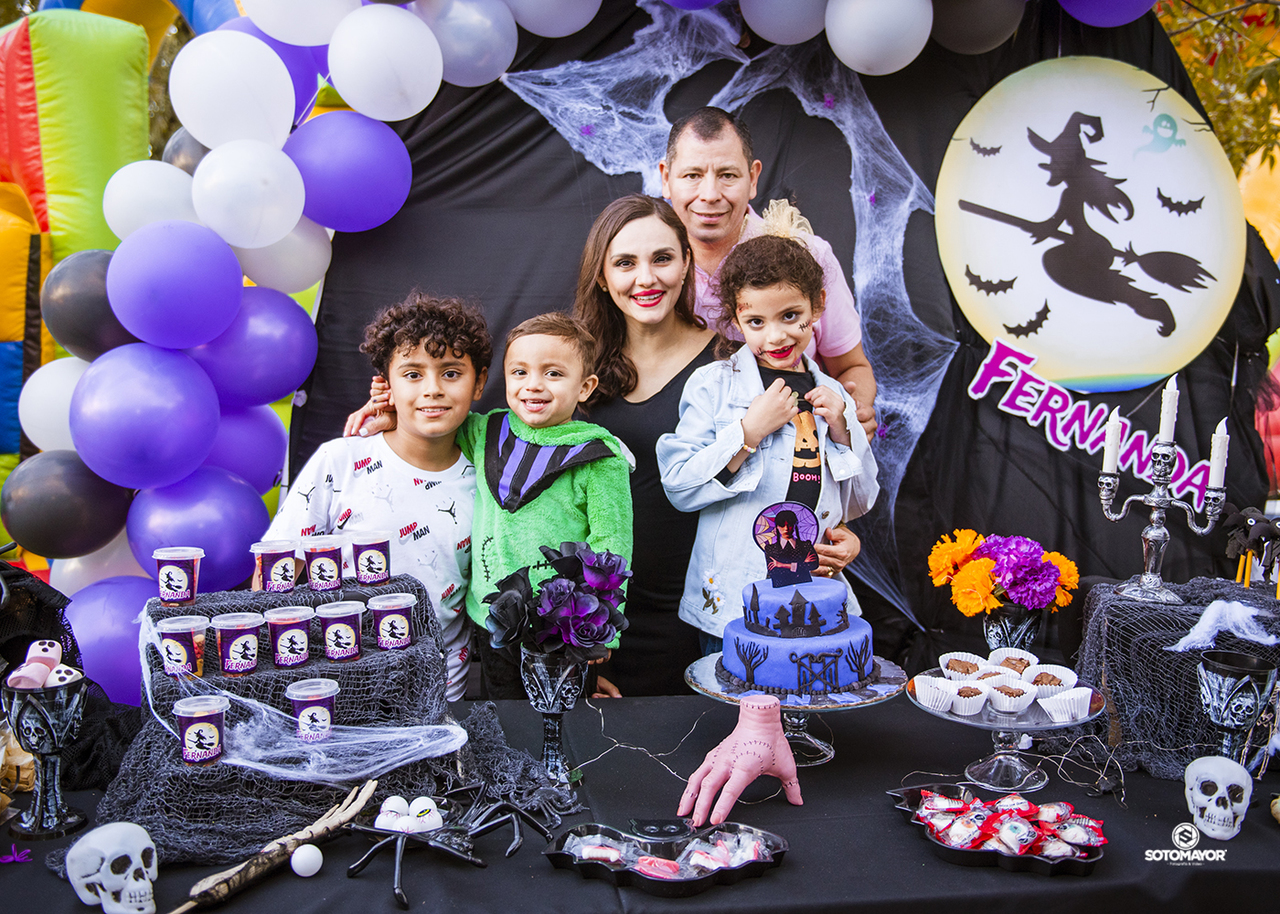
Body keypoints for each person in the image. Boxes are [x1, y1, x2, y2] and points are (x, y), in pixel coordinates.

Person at [657, 229, 880, 654]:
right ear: (736, 319)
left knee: (809, 690)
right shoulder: (714, 385)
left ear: (818, 305)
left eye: (791, 316)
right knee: (738, 691)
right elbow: (679, 485)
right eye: (756, 322)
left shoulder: (835, 395)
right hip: (733, 604)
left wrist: (842, 432)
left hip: (816, 596)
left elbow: (859, 502)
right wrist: (748, 432)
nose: (776, 337)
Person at [262, 294, 490, 701]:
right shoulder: (340, 461)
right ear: (386, 385)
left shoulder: (490, 477)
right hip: (338, 688)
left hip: (441, 694)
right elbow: (275, 575)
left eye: (451, 373)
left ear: (480, 383)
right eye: (413, 374)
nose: (433, 390)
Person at [659, 106, 878, 440]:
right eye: (692, 176)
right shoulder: (649, 271)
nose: (710, 194)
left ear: (753, 178)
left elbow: (851, 366)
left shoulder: (807, 256)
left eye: (727, 175)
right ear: (665, 178)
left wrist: (853, 412)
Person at [574, 194, 717, 695]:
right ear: (601, 276)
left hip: (704, 619)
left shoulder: (732, 365)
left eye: (661, 258)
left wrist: (835, 526)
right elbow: (507, 443)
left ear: (686, 262)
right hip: (596, 625)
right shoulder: (572, 365)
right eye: (625, 263)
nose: (646, 278)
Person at [454, 313, 634, 699]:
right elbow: (431, 427)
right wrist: (387, 408)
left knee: (565, 718)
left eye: (553, 373)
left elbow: (612, 545)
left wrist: (604, 628)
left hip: (565, 626)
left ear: (584, 387)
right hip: (492, 617)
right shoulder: (484, 431)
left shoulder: (600, 457)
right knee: (505, 717)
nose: (533, 384)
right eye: (519, 372)